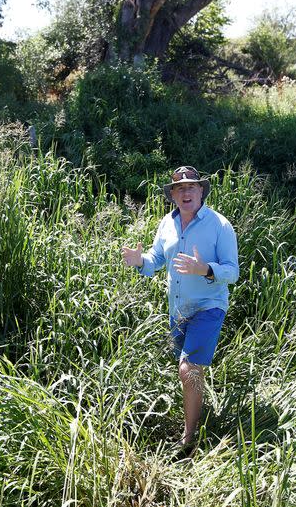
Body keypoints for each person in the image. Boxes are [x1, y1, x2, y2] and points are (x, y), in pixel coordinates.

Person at [121, 165, 239, 449]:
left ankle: (188, 440)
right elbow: (157, 259)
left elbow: (232, 272)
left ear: (201, 191)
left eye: (191, 187)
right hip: (178, 309)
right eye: (179, 188)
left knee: (188, 369)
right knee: (190, 370)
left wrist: (204, 269)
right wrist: (140, 261)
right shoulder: (167, 224)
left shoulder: (219, 225)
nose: (186, 192)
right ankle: (199, 409)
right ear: (172, 195)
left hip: (209, 306)